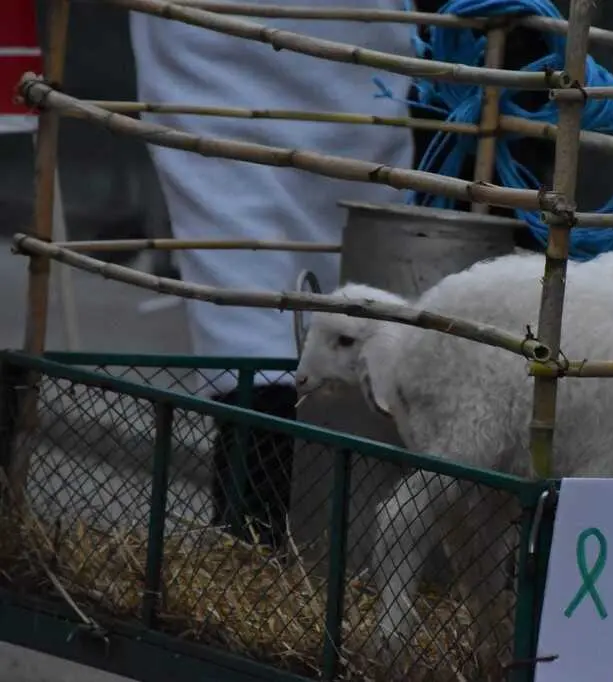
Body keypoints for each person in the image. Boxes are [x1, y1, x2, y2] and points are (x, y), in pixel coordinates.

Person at [128, 0, 416, 551]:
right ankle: (259, 538)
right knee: (252, 291)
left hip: (346, 74)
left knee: (285, 288)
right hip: (227, 63)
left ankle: (270, 543)